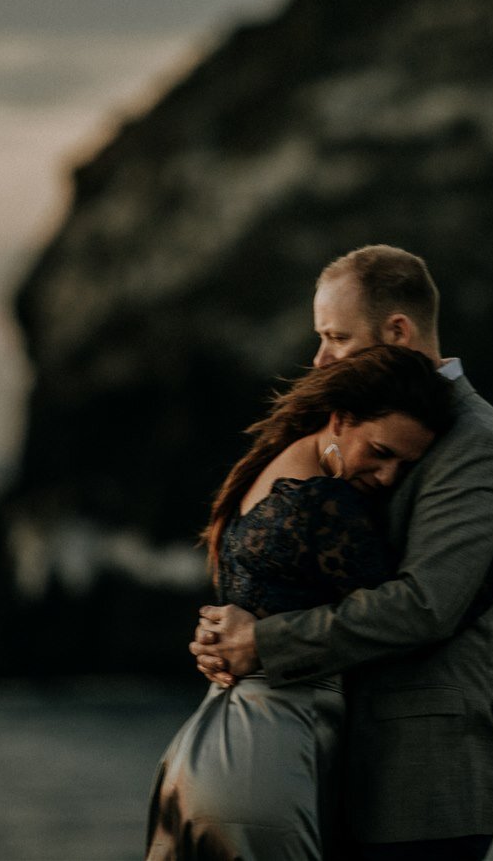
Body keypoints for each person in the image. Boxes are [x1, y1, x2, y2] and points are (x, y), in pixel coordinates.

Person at [192, 245, 493, 861]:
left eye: (338, 337)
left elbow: (425, 605)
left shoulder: (475, 440)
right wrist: (228, 634)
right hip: (343, 756)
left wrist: (263, 643)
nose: (320, 358)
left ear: (397, 331)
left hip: (425, 772)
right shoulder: (365, 417)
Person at [147, 342, 458, 861]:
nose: (386, 478)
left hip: (204, 751)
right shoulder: (325, 504)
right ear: (339, 419)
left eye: (405, 466)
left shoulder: (267, 469)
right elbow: (411, 618)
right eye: (380, 452)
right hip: (267, 762)